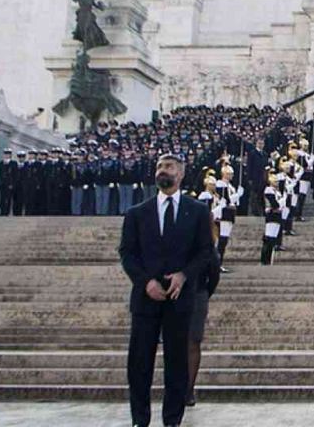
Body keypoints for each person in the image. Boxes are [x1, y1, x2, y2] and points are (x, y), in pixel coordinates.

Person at [118, 151, 218, 427]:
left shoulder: (197, 211)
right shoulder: (137, 213)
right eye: (161, 166)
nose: (164, 170)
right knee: (139, 362)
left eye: (170, 166)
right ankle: (140, 418)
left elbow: (205, 252)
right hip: (145, 297)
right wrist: (145, 281)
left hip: (179, 296)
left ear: (181, 173)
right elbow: (127, 253)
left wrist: (184, 276)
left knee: (176, 362)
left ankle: (172, 419)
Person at [184, 202, 222, 408]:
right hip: (179, 294)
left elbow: (213, 271)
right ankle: (184, 389)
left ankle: (188, 389)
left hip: (196, 292)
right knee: (185, 343)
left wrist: (205, 293)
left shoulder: (206, 242)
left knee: (192, 342)